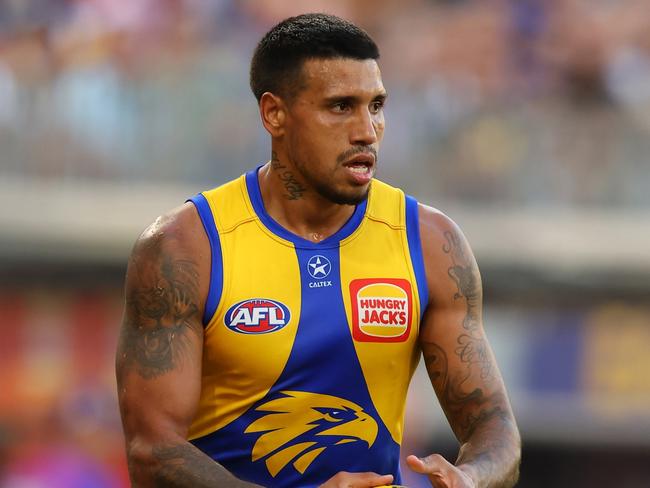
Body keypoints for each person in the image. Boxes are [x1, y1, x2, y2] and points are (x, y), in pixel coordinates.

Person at [116, 13, 521, 488]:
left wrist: (470, 478)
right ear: (274, 114)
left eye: (377, 105)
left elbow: (495, 430)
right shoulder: (187, 246)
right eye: (340, 106)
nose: (367, 130)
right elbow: (151, 452)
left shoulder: (431, 243)